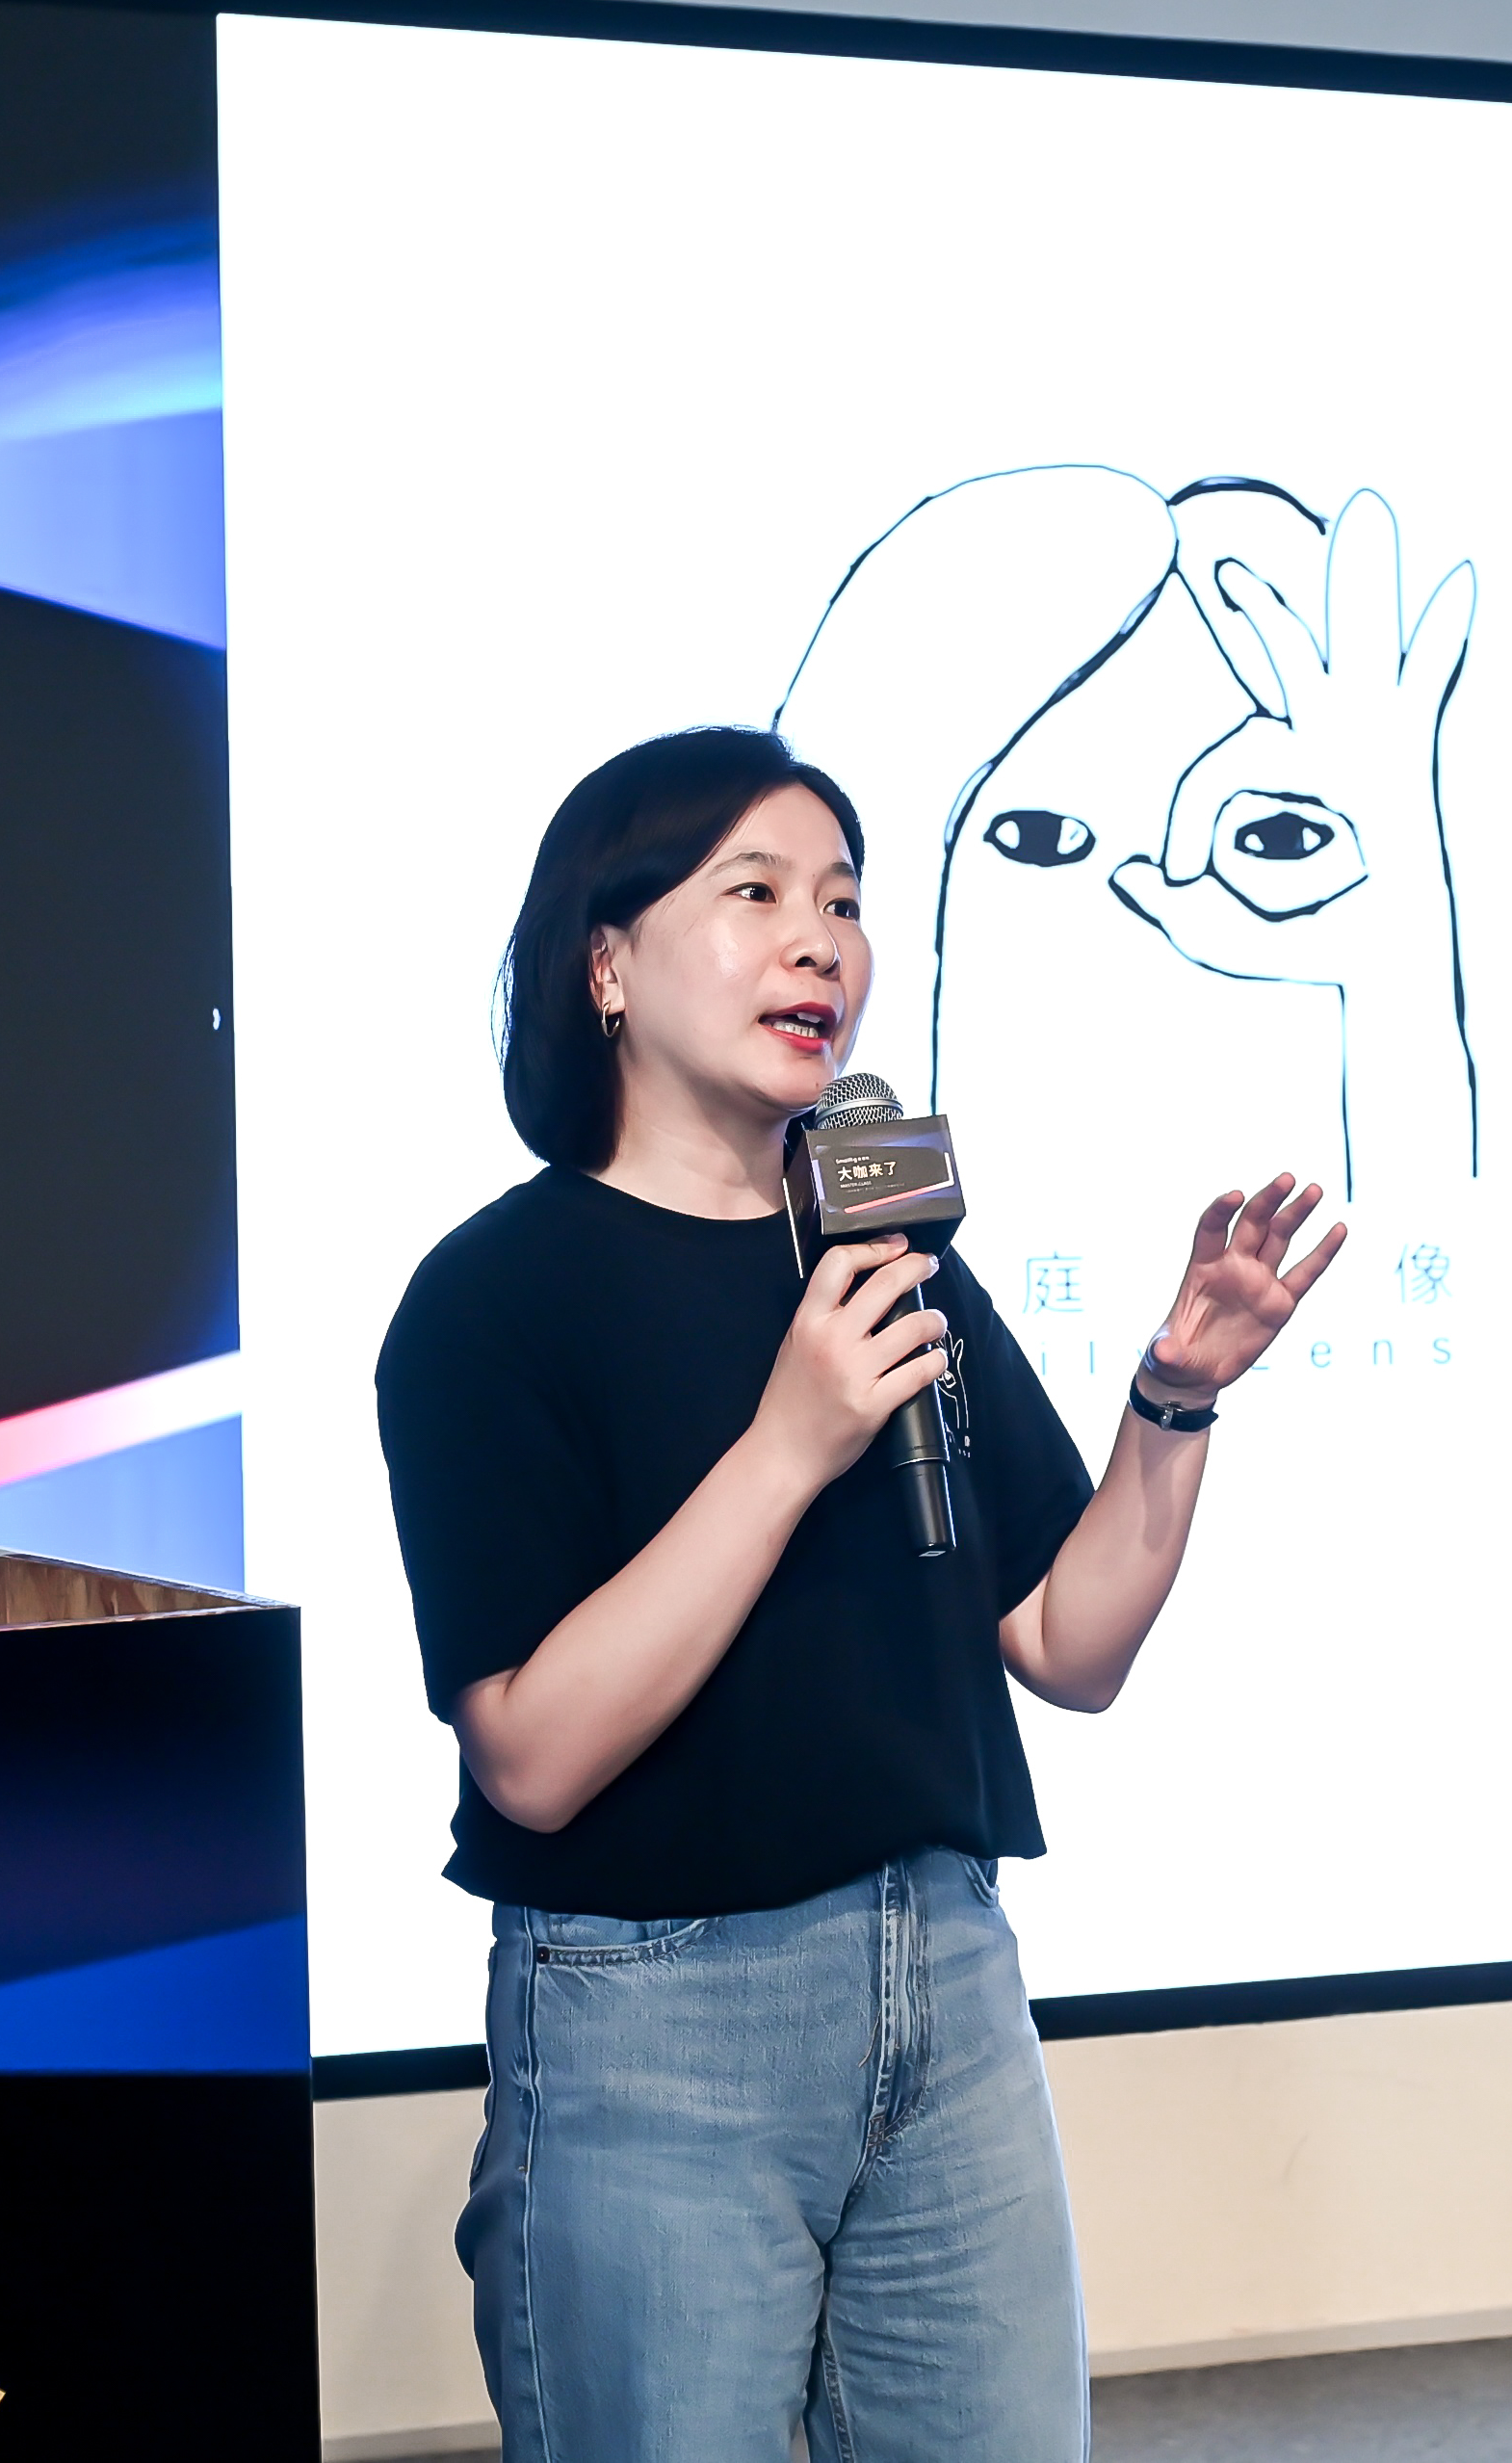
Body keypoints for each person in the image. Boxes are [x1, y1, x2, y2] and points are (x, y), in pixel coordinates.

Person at [377, 724, 1342, 2461]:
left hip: (947, 1981)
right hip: (654, 2021)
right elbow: (531, 1755)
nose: (819, 942)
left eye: (843, 900)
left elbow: (1067, 1641)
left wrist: (1175, 1399)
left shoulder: (889, 1257)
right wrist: (789, 1442)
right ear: (606, 962)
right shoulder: (491, 1301)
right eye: (755, 893)